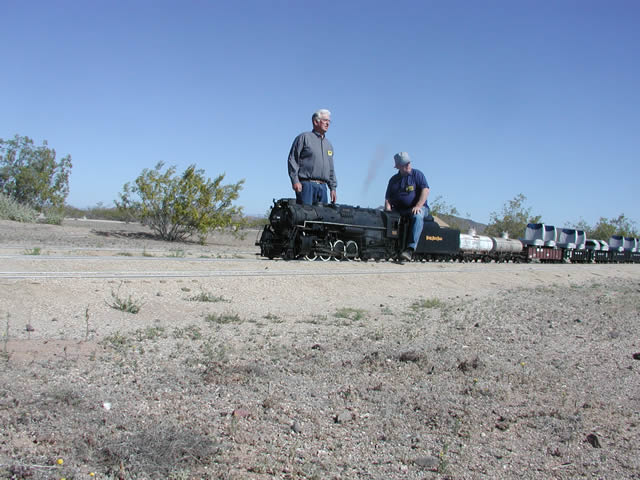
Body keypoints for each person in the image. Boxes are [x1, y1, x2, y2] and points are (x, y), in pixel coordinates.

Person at [384, 152, 430, 261]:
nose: (408, 165)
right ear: (398, 166)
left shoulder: (417, 175)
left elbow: (425, 190)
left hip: (418, 207)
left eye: (409, 163)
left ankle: (410, 249)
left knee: (417, 216)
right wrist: (388, 212)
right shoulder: (393, 180)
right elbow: (388, 200)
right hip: (400, 210)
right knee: (387, 218)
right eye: (405, 164)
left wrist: (418, 205)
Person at [287, 109, 337, 205]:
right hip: (306, 186)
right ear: (315, 122)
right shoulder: (304, 138)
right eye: (325, 120)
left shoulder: (329, 145)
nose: (328, 123)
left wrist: (333, 188)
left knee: (321, 219)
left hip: (323, 188)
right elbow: (292, 159)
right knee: (305, 217)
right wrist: (295, 181)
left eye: (329, 121)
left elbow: (331, 169)